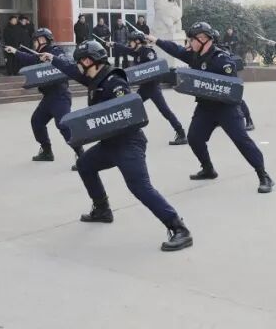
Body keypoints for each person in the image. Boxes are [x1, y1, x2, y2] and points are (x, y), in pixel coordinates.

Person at [42, 40, 193, 252]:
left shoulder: (115, 83)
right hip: (110, 143)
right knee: (85, 164)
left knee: (140, 188)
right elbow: (72, 71)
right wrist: (53, 59)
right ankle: (102, 209)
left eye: (79, 61)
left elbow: (128, 111)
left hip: (128, 144)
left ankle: (179, 228)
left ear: (89, 61)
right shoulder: (95, 77)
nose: (77, 66)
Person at [150, 22, 274, 192]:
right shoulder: (194, 55)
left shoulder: (222, 59)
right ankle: (208, 169)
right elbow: (175, 50)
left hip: (226, 109)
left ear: (203, 39)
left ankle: (264, 175)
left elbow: (233, 87)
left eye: (191, 40)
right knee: (194, 138)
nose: (189, 43)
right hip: (205, 107)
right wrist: (155, 40)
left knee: (241, 140)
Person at [4, 28, 84, 164]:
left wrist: (50, 59)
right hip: (48, 97)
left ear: (42, 40)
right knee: (37, 121)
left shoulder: (55, 51)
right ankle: (46, 151)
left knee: (63, 125)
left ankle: (81, 155)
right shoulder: (39, 55)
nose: (34, 43)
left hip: (60, 95)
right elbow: (29, 58)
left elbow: (65, 61)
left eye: (35, 40)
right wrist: (15, 51)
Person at [110, 29, 187, 145]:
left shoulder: (147, 52)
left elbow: (155, 68)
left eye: (131, 41)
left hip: (153, 87)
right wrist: (114, 44)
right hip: (144, 88)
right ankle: (123, 135)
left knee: (165, 111)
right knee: (130, 107)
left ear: (137, 41)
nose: (129, 43)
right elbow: (126, 49)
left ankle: (181, 133)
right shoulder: (137, 51)